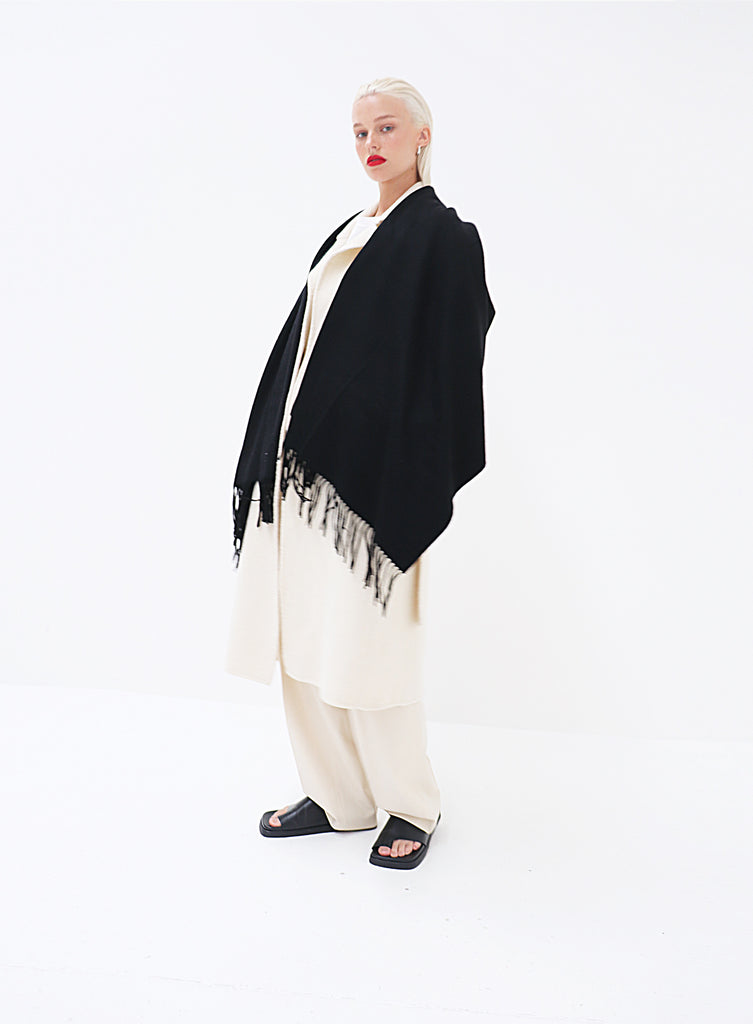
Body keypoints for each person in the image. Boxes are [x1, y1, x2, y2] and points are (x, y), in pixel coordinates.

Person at [225, 77, 495, 869]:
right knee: (303, 636)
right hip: (302, 471)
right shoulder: (349, 229)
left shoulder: (443, 235)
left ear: (421, 136)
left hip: (371, 481)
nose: (370, 143)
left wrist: (407, 453)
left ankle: (409, 803)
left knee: (370, 647)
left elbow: (453, 361)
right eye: (357, 132)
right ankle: (337, 796)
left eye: (385, 128)